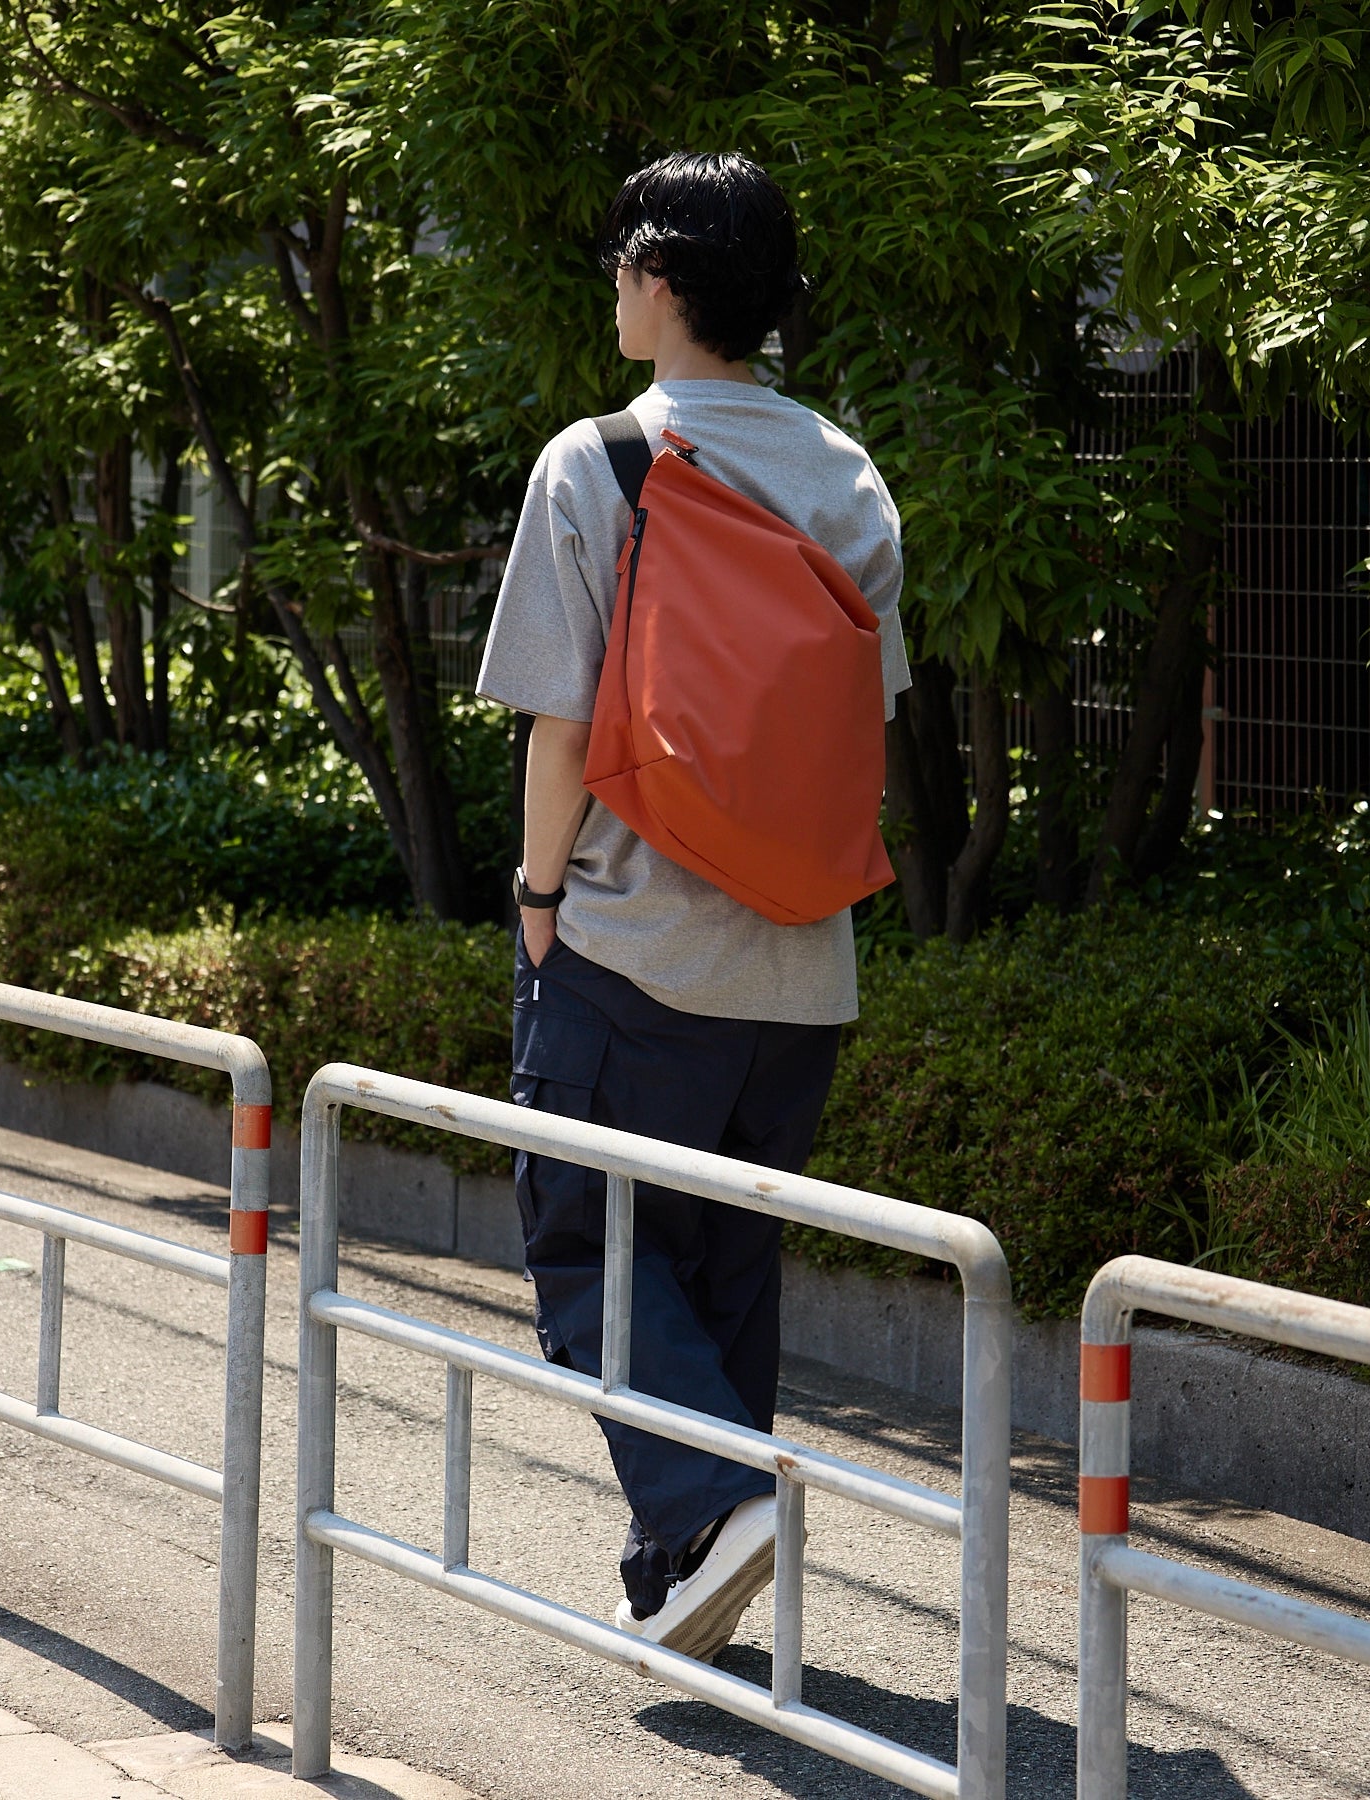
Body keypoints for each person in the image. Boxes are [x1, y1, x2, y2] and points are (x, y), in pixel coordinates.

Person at [475, 150, 908, 1663]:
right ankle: (690, 1568)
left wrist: (537, 901)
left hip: (629, 948)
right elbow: (862, 713)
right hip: (801, 970)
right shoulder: (849, 475)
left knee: (586, 1246)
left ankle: (717, 1500)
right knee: (721, 1269)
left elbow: (558, 725)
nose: (611, 289)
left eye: (619, 267)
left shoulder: (599, 462)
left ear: (661, 282)